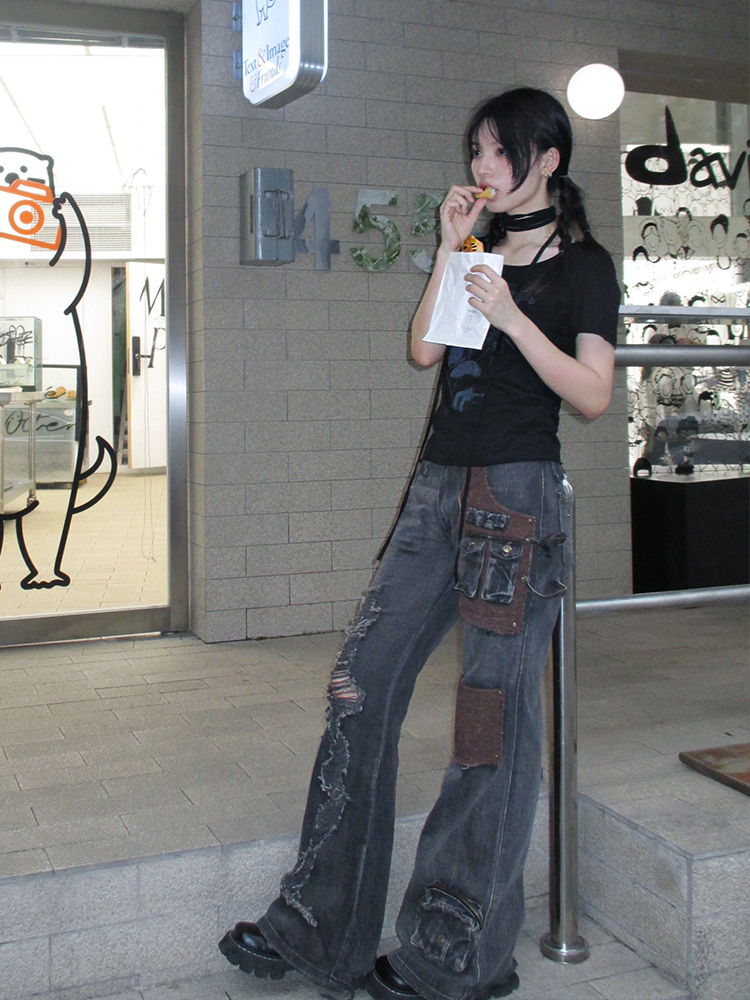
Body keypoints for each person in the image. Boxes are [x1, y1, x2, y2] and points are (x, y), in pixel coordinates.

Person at [219, 87, 621, 1000]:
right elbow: (423, 353)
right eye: (476, 151)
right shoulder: (478, 247)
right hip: (437, 490)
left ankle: (455, 955)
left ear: (547, 160)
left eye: (498, 151)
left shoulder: (586, 266)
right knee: (358, 686)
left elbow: (594, 394)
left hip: (516, 499)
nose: (482, 166)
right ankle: (320, 927)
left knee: (488, 721)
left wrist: (513, 316)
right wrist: (450, 248)